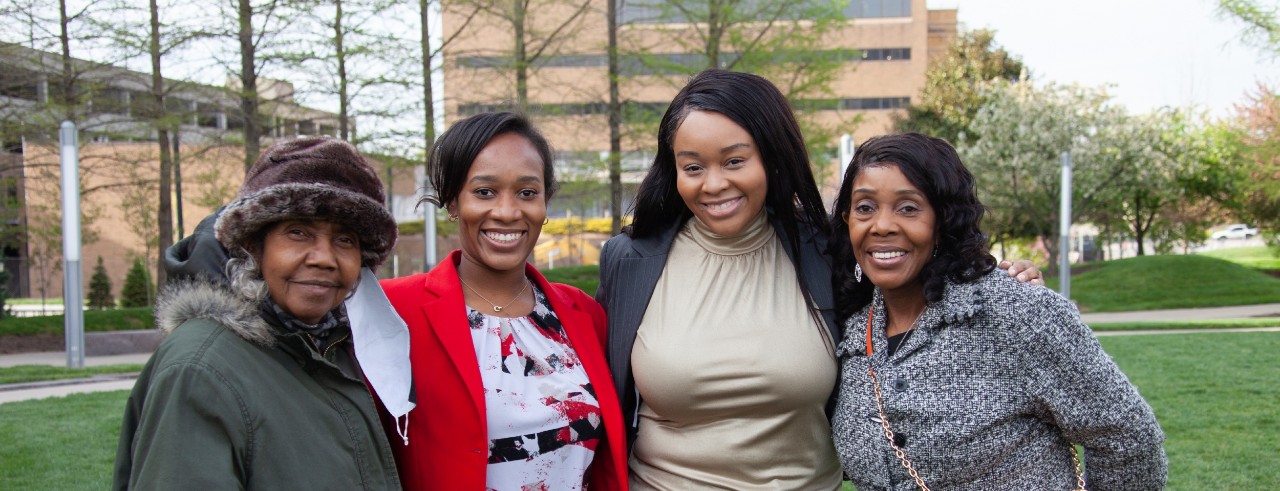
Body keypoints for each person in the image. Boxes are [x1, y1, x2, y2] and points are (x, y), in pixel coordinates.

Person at [596, 69, 1043, 489]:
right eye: (693, 167)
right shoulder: (630, 259)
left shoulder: (828, 251)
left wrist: (999, 279)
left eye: (734, 161)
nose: (713, 184)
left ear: (772, 158)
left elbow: (919, 280)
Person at [827, 133, 1167, 489]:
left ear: (943, 220)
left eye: (908, 208)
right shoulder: (849, 335)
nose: (882, 225)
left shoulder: (1016, 312)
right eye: (865, 208)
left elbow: (1128, 438)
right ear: (848, 220)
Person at [114, 137, 406, 490]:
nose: (325, 258)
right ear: (253, 245)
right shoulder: (200, 368)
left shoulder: (338, 348)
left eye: (345, 240)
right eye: (298, 233)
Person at [380, 112, 627, 490]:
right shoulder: (394, 311)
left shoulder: (584, 314)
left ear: (546, 203)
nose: (509, 212)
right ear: (452, 202)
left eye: (527, 193)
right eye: (485, 192)